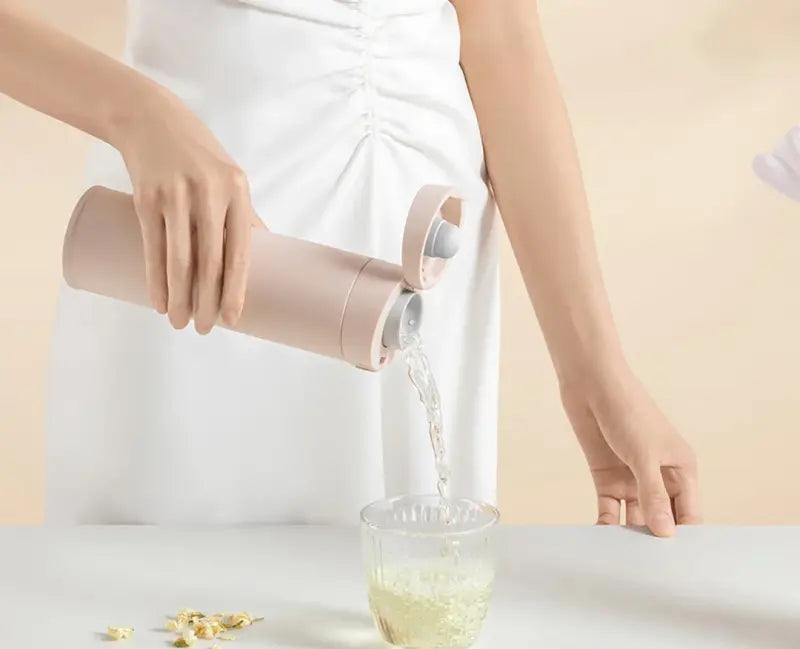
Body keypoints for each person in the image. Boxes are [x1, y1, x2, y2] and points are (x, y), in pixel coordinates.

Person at [0, 0, 700, 533]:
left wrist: (595, 369)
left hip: (422, 218)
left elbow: (501, 37)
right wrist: (136, 113)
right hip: (200, 204)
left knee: (398, 590)